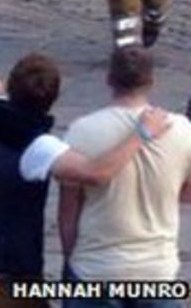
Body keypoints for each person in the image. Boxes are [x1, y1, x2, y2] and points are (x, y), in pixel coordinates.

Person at [0, 53, 171, 308]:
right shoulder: (38, 147)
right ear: (53, 98)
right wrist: (143, 133)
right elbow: (98, 173)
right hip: (9, 275)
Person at [58, 47, 191, 307]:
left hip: (95, 269)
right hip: (156, 272)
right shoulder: (182, 130)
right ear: (152, 81)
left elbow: (68, 211)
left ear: (109, 79)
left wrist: (69, 258)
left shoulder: (82, 130)